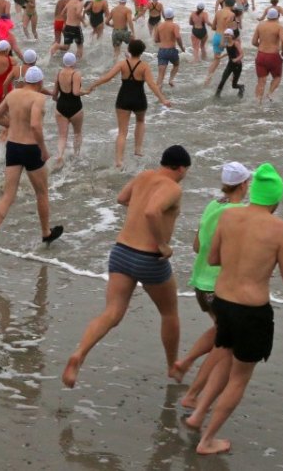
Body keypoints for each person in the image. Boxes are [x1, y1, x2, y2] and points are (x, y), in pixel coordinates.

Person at [185, 163, 283, 455]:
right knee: (238, 378)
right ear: (276, 199)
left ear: (254, 192)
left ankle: (198, 415)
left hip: (222, 303)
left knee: (224, 357)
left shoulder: (229, 216)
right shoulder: (281, 230)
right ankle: (208, 440)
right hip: (251, 312)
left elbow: (211, 258)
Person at [62, 145, 192, 388]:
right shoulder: (173, 188)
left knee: (111, 313)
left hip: (121, 252)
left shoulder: (144, 176)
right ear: (181, 168)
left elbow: (122, 198)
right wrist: (163, 244)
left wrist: (139, 207)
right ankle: (173, 366)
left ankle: (79, 354)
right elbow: (152, 212)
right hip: (149, 258)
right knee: (169, 313)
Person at [172, 161, 251, 410]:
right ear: (244, 185)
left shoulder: (212, 205)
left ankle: (185, 362)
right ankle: (193, 393)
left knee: (219, 330)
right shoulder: (238, 213)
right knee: (226, 342)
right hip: (219, 286)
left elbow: (196, 245)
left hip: (200, 283)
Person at [0, 66, 64, 258]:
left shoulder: (13, 94)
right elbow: (35, 125)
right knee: (42, 193)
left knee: (8, 195)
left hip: (13, 146)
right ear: (39, 82)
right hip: (30, 148)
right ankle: (46, 233)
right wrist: (43, 149)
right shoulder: (38, 98)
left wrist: (13, 126)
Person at [84, 39, 171, 168]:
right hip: (139, 98)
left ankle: (119, 160)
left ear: (129, 50)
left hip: (123, 98)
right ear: (142, 52)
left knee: (122, 132)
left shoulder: (122, 64)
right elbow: (151, 84)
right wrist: (163, 99)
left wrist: (93, 85)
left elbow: (108, 77)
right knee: (140, 121)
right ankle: (138, 149)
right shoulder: (144, 66)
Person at [52, 52, 84, 165]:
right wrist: (86, 91)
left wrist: (58, 100)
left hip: (61, 106)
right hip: (75, 107)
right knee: (77, 133)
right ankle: (76, 156)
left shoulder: (59, 73)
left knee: (62, 136)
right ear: (74, 62)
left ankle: (60, 156)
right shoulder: (76, 74)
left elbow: (54, 95)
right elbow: (76, 92)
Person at [252, 8, 283, 103]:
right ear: (278, 16)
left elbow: (254, 42)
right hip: (273, 56)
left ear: (267, 16)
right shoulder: (279, 27)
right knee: (277, 77)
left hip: (261, 55)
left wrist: (262, 46)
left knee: (261, 82)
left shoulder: (260, 25)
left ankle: (257, 103)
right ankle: (270, 93)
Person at [213, 29, 246, 98]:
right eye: (225, 35)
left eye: (228, 35)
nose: (226, 36)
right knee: (223, 80)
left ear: (232, 35)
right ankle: (216, 96)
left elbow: (242, 54)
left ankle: (241, 87)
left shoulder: (235, 43)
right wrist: (220, 57)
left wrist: (236, 59)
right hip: (230, 64)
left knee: (234, 85)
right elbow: (229, 53)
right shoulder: (227, 43)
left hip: (237, 65)